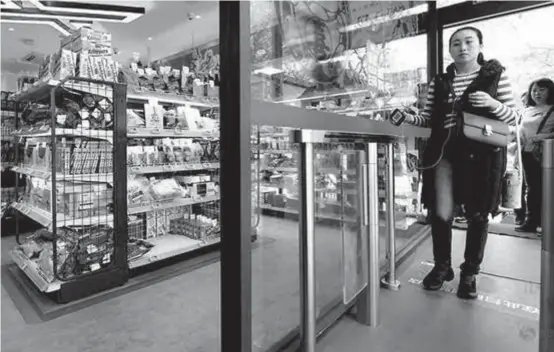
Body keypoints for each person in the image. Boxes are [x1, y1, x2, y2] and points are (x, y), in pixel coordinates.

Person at [393, 26, 518, 299]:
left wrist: (491, 103)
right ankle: (442, 267)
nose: (462, 47)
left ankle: (470, 272)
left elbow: (513, 118)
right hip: (444, 156)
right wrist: (408, 118)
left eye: (469, 42)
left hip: (481, 158)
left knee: (477, 215)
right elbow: (427, 119)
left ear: (480, 45)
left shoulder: (496, 76)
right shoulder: (440, 81)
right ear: (449, 50)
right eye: (456, 43)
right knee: (441, 214)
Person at [515, 78, 554, 233]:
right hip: (527, 152)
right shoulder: (527, 109)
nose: (537, 93)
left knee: (546, 188)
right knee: (532, 188)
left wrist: (541, 137)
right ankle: (531, 221)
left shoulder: (552, 109)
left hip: (547, 154)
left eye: (541, 90)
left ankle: (546, 223)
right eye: (534, 90)